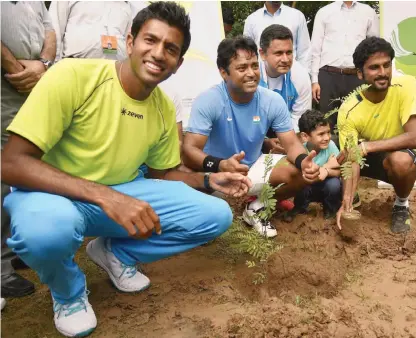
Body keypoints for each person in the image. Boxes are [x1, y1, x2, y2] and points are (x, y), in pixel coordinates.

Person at [1, 3, 251, 337]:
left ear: (177, 64)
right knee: (46, 232)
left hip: (118, 195)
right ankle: (69, 294)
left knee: (215, 215)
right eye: (151, 40)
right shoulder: (72, 76)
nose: (159, 53)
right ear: (130, 41)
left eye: (171, 49)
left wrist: (208, 179)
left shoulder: (163, 106)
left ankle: (113, 253)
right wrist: (105, 196)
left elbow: (164, 176)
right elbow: (11, 163)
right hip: (52, 197)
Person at [182, 36, 320, 238]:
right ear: (223, 72)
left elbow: (291, 143)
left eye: (255, 66)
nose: (251, 73)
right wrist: (220, 165)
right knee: (183, 174)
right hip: (216, 175)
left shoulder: (272, 100)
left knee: (299, 171)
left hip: (253, 169)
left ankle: (255, 209)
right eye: (242, 68)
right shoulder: (209, 100)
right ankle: (213, 212)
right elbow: (189, 150)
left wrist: (304, 162)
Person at [336, 37, 416, 233]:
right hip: (365, 161)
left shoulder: (406, 86)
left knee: (401, 162)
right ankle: (352, 200)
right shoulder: (349, 108)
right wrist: (347, 200)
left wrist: (366, 146)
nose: (383, 73)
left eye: (387, 65)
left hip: (394, 156)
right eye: (374, 67)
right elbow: (351, 160)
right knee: (337, 162)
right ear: (360, 73)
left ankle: (401, 205)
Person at [1, 1, 56, 300]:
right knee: (4, 167)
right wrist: (14, 67)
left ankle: (18, 246)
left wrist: (43, 65)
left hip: (34, 81)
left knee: (32, 164)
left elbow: (49, 30)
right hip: (7, 81)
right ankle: (0, 269)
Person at [311, 1, 379, 129]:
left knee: (357, 122)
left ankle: (357, 150)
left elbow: (373, 48)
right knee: (326, 124)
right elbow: (315, 49)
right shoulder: (324, 12)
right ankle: (328, 149)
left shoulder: (368, 12)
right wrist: (314, 80)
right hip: (327, 76)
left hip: (356, 76)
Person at [284, 109, 341, 221]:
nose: (327, 138)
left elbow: (339, 171)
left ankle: (330, 209)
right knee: (300, 182)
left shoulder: (331, 146)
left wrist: (327, 170)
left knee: (334, 184)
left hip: (325, 186)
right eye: (321, 134)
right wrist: (326, 166)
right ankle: (300, 208)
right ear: (305, 136)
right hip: (307, 186)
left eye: (328, 132)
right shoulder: (300, 151)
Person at [258, 24, 311, 138]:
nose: (285, 59)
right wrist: (265, 142)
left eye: (289, 52)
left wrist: (286, 141)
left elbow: (300, 117)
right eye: (278, 53)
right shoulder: (252, 75)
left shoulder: (300, 75)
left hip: (288, 131)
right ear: (262, 54)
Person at [49, 1, 133, 61]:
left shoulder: (126, 6)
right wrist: (54, 65)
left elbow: (128, 43)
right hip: (74, 65)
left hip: (113, 71)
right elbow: (54, 29)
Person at [244, 1, 311, 72]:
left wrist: (305, 76)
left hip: (292, 76)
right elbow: (248, 53)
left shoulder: (297, 16)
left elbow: (304, 53)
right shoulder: (252, 20)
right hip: (261, 77)